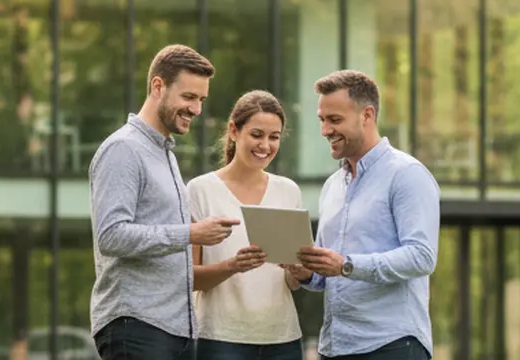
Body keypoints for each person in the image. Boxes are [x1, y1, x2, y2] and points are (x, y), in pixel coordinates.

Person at [89, 44, 241, 360]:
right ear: (158, 87)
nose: (197, 109)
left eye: (201, 100)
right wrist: (191, 233)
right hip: (136, 326)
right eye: (188, 97)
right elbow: (111, 236)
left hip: (175, 331)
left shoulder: (166, 155)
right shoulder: (123, 150)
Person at [285, 69, 440, 360]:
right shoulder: (332, 186)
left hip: (391, 345)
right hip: (337, 346)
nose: (325, 130)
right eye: (322, 120)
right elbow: (329, 273)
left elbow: (422, 256)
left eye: (335, 120)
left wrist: (346, 265)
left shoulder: (406, 175)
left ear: (367, 115)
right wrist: (307, 273)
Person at [187, 90, 306, 360]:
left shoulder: (289, 191)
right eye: (256, 134)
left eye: (273, 137)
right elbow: (190, 278)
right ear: (233, 130)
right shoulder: (200, 190)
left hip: (282, 339)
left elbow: (291, 282)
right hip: (220, 339)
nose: (265, 145)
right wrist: (233, 266)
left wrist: (298, 271)